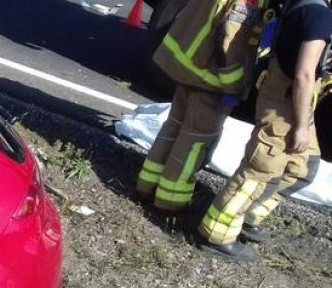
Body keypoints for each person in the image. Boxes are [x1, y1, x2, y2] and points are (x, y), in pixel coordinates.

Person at [199, 0, 332, 260]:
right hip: (287, 103)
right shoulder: (317, 16)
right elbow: (304, 75)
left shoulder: (312, 9)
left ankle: (247, 214)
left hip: (298, 100)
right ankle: (216, 233)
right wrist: (300, 126)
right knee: (260, 171)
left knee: (304, 167)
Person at [137, 0, 268, 212]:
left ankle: (146, 185)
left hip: (191, 70)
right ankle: (170, 200)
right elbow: (231, 38)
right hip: (211, 81)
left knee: (173, 127)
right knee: (194, 142)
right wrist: (233, 85)